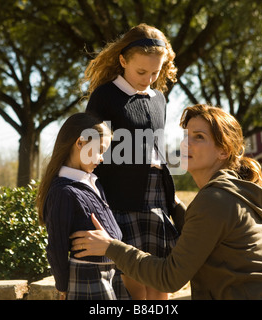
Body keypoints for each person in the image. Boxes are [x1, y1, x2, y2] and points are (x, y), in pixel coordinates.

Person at [70, 104, 262, 300]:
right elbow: (206, 233)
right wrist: (172, 204)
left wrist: (110, 246)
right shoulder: (235, 191)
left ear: (223, 151)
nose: (187, 143)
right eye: (186, 136)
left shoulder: (215, 200)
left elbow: (170, 277)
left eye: (199, 137)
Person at [83, 23, 183, 300]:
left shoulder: (159, 99)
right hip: (121, 198)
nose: (148, 79)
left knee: (160, 278)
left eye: (155, 72)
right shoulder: (104, 96)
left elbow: (156, 149)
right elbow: (91, 151)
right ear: (123, 60)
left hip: (157, 197)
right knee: (135, 283)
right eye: (141, 72)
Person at [36, 112, 122, 300]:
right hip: (87, 279)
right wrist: (62, 286)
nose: (101, 158)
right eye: (99, 150)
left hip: (110, 275)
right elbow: (56, 247)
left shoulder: (94, 183)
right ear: (80, 143)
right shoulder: (63, 192)